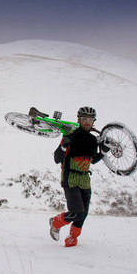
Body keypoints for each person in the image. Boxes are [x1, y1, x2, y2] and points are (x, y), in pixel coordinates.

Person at [49, 106, 110, 247]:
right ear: (79, 119)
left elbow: (93, 160)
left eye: (90, 119)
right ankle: (55, 222)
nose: (87, 122)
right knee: (77, 213)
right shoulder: (70, 135)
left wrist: (103, 152)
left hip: (84, 179)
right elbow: (57, 159)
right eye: (84, 119)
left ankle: (72, 241)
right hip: (70, 177)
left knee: (83, 215)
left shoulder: (93, 140)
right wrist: (64, 146)